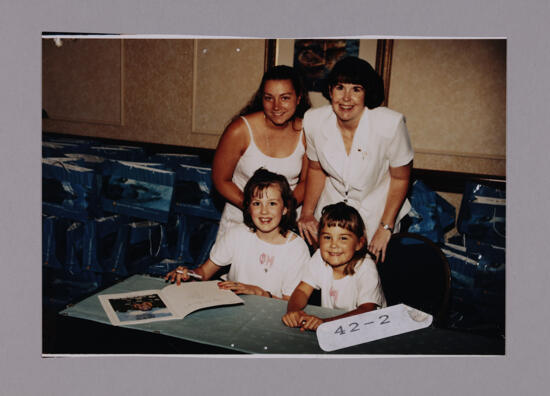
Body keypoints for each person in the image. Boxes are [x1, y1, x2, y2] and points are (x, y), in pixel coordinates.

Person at [297, 56, 414, 263]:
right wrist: (307, 213)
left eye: (356, 89)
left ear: (366, 92)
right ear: (330, 90)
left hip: (378, 214)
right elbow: (315, 170)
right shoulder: (314, 121)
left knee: (369, 282)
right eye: (340, 87)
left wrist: (384, 227)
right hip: (332, 217)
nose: (346, 98)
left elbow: (401, 178)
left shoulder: (390, 124)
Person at [165, 168, 310, 300]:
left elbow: (290, 305)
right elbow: (203, 273)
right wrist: (187, 275)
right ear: (248, 207)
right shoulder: (237, 234)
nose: (264, 211)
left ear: (285, 208)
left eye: (272, 204)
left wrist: (261, 293)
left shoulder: (296, 249)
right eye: (257, 203)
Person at [212, 65, 311, 241]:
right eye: (269, 98)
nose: (276, 106)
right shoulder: (239, 130)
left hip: (285, 225)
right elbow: (221, 180)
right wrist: (254, 208)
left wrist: (282, 211)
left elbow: (306, 182)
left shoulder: (307, 132)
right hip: (240, 221)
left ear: (298, 99)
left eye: (285, 98)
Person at [282, 202, 386, 331]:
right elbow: (302, 291)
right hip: (335, 328)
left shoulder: (366, 267)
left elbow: (366, 310)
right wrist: (293, 311)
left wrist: (325, 323)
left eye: (343, 238)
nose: (333, 245)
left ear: (359, 243)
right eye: (327, 237)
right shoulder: (319, 256)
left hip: (370, 328)